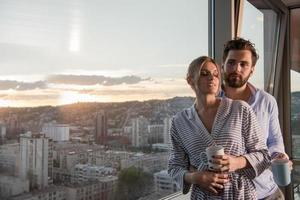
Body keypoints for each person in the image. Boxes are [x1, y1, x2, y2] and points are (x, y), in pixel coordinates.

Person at [168, 56, 271, 199]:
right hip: (203, 195)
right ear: (190, 80)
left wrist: (236, 162)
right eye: (204, 73)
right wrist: (195, 178)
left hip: (241, 194)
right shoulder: (179, 122)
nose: (212, 78)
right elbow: (174, 167)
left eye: (216, 74)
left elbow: (263, 155)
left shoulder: (240, 109)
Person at [221, 37, 292, 199]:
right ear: (223, 64)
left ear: (252, 69)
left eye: (243, 64)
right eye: (231, 62)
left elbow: (274, 141)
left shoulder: (267, 101)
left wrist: (278, 155)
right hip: (229, 194)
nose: (236, 69)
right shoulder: (211, 102)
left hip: (266, 192)